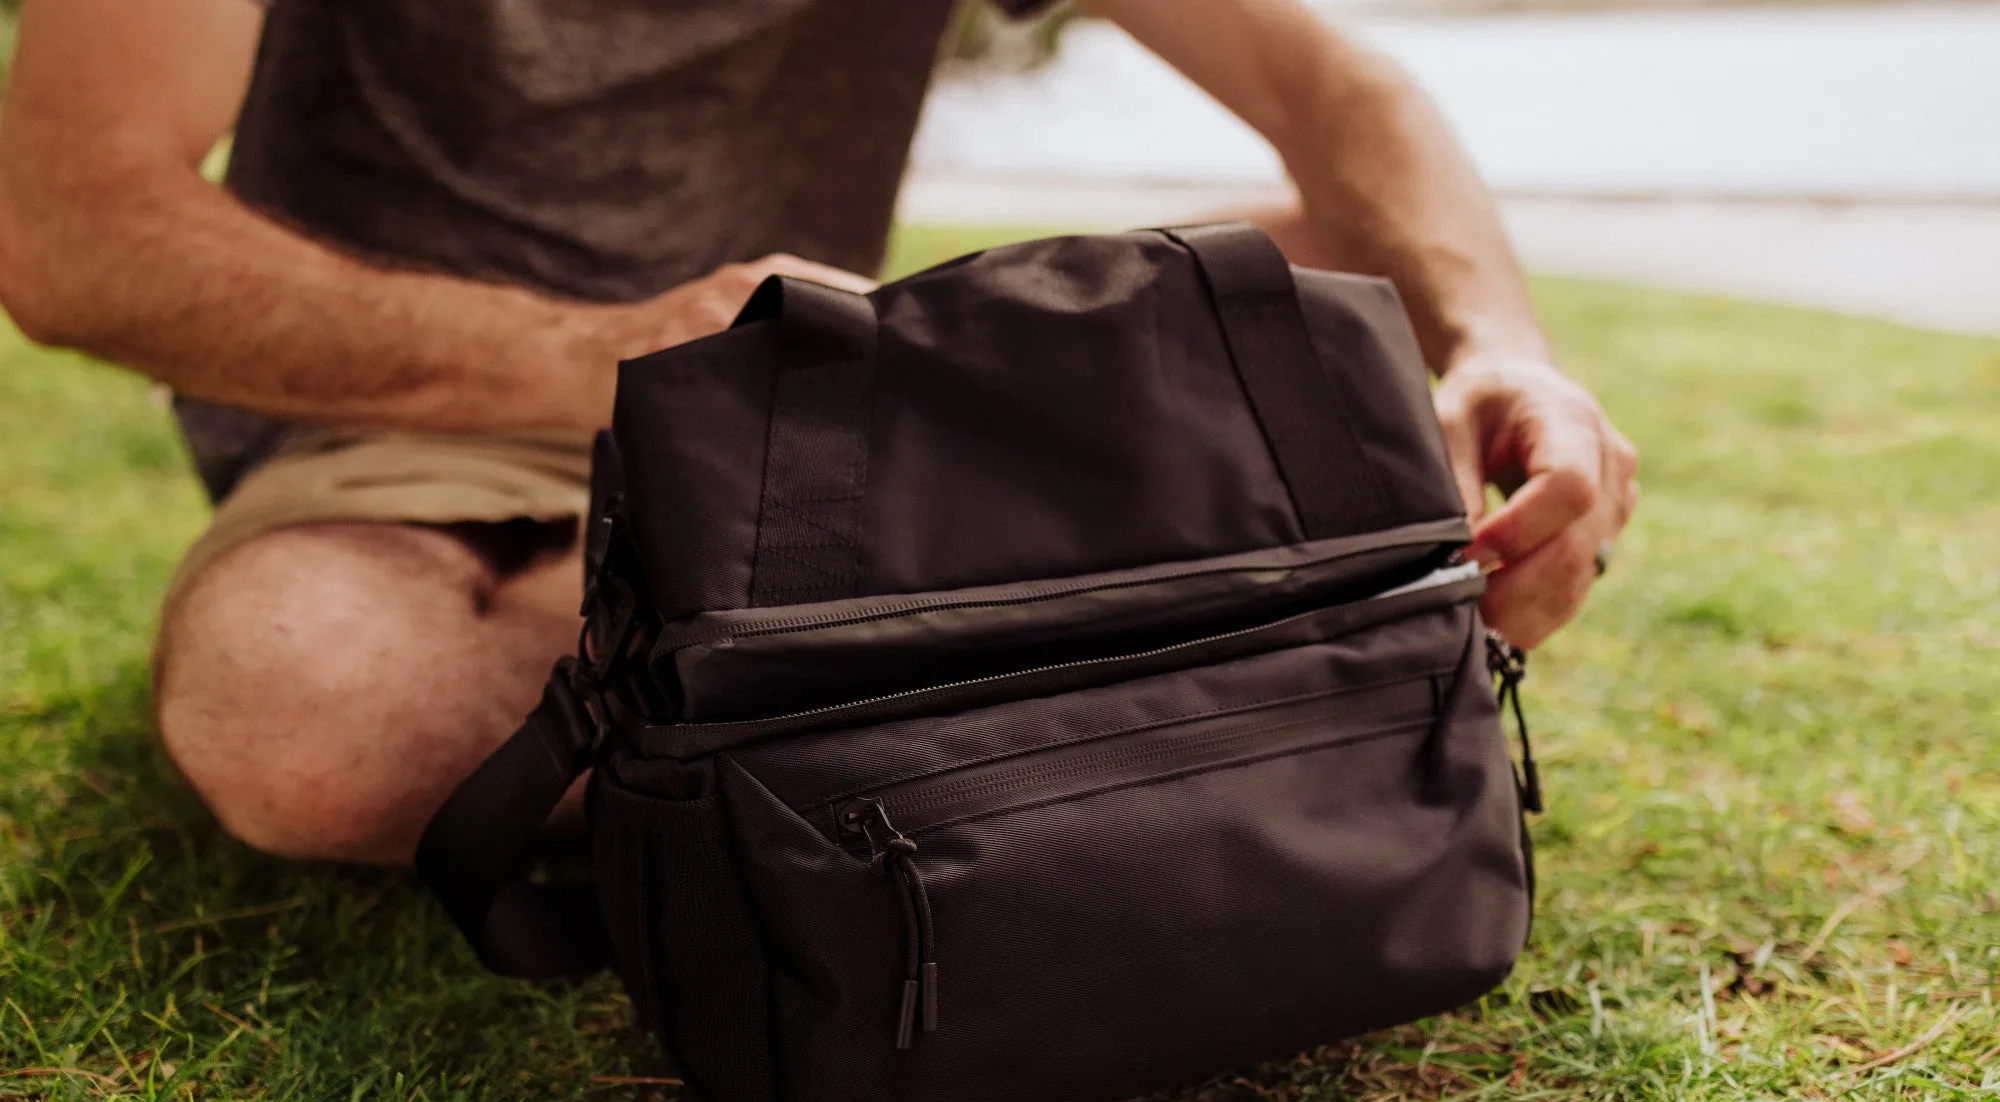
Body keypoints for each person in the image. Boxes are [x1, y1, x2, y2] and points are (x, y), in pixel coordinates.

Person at [0, 0, 1638, 868]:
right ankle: (1079, 626)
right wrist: (602, 355)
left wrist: (1507, 345)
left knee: (1347, 264)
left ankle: (858, 635)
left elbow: (1326, 78)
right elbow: (70, 226)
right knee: (316, 713)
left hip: (821, 388)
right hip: (439, 424)